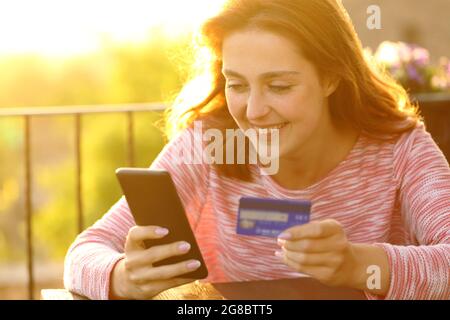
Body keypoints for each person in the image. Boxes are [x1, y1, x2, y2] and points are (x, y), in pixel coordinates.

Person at [63, 0, 450, 300]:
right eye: (237, 84)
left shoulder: (400, 149)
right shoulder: (208, 145)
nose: (253, 111)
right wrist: (123, 277)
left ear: (331, 76)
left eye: (279, 86)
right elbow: (85, 252)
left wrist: (357, 264)